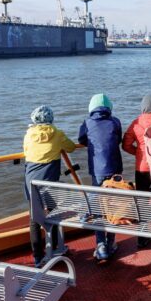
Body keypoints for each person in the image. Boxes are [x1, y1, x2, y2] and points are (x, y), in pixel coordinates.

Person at [23, 105, 76, 267]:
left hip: (31, 181)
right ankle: (55, 249)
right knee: (53, 213)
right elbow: (71, 147)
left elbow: (26, 152)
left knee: (34, 219)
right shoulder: (57, 134)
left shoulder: (28, 135)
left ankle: (38, 257)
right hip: (48, 182)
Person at [78, 94, 123, 261]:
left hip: (97, 170)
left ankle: (101, 244)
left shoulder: (87, 123)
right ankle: (111, 242)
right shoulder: (115, 121)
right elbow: (118, 139)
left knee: (97, 205)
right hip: (115, 170)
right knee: (111, 205)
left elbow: (81, 139)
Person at [122, 94, 151, 248]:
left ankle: (142, 238)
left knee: (142, 202)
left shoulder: (135, 123)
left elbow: (125, 145)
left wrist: (139, 153)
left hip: (142, 167)